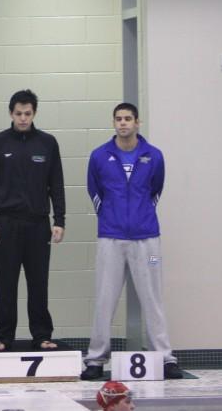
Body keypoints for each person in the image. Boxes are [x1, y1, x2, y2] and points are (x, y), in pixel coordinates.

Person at [81, 103, 183, 380]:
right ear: (113, 122)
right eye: (118, 119)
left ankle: (165, 357)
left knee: (153, 297)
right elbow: (94, 189)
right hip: (111, 239)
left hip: (147, 240)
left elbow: (156, 190)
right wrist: (110, 216)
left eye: (128, 119)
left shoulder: (154, 156)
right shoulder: (100, 156)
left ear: (137, 122)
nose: (123, 123)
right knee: (104, 298)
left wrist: (142, 215)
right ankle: (95, 359)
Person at [0, 89, 65, 352]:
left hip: (38, 224)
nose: (23, 118)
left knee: (38, 283)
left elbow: (57, 185)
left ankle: (41, 334)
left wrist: (59, 220)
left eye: (28, 114)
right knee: (6, 284)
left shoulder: (48, 143)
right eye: (18, 113)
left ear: (34, 113)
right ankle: (4, 336)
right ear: (10, 113)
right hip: (5, 224)